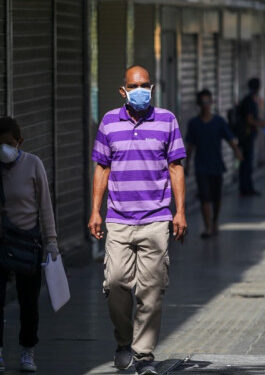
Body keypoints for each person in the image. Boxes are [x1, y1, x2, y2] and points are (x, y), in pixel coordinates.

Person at [87, 65, 187, 375]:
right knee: (115, 282)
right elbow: (102, 167)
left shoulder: (167, 120)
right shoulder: (108, 122)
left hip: (156, 219)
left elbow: (176, 167)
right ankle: (123, 340)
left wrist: (179, 210)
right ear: (123, 90)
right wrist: (95, 210)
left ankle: (143, 355)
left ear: (152, 87)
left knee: (151, 290)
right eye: (134, 85)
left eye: (144, 85)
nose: (140, 90)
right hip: (118, 219)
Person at [0, 116, 59, 373]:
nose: (4, 149)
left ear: (20, 141)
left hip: (28, 243)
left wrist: (52, 241)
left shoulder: (34, 165)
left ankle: (27, 351)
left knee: (28, 301)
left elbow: (45, 205)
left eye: (9, 143)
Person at [185, 89, 243, 239]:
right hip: (201, 166)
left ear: (212, 103)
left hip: (216, 165)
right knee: (205, 197)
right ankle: (208, 227)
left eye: (208, 102)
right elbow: (190, 146)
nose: (206, 106)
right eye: (202, 103)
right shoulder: (194, 124)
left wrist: (236, 151)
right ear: (199, 105)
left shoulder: (219, 122)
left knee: (216, 198)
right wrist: (187, 165)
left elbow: (230, 139)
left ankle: (215, 221)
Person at [236, 78, 265, 196]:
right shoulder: (249, 101)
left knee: (246, 163)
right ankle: (246, 188)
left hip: (247, 137)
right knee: (246, 163)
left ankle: (247, 187)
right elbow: (249, 119)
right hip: (246, 138)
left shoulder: (249, 100)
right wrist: (260, 124)